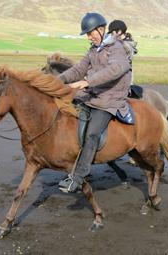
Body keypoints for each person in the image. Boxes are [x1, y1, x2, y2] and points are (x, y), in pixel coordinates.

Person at [57, 12, 132, 193]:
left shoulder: (116, 47)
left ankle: (79, 176)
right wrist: (57, 81)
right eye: (87, 34)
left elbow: (116, 69)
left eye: (91, 32)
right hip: (92, 94)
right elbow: (78, 69)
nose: (89, 37)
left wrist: (88, 82)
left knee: (92, 134)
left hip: (109, 98)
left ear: (101, 29)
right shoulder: (93, 50)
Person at [107, 19, 138, 85]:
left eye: (112, 33)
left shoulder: (126, 46)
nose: (111, 36)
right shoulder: (120, 43)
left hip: (124, 81)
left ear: (119, 32)